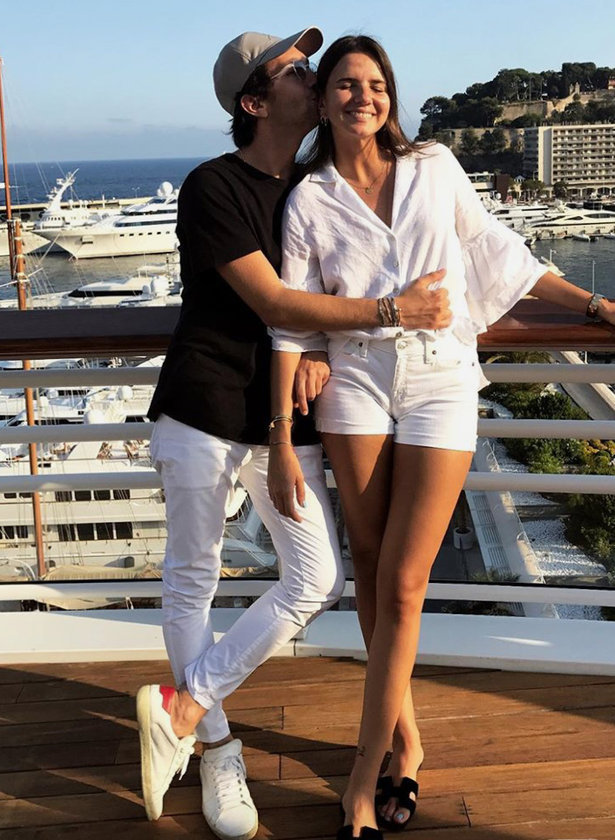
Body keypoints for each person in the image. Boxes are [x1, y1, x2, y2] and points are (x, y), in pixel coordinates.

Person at [266, 34, 615, 840]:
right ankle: (406, 741)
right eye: (345, 84)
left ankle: (363, 776)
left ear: (391, 96)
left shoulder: (433, 166)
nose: (363, 97)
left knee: (403, 582)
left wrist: (596, 307)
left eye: (375, 84)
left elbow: (500, 255)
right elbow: (291, 319)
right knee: (367, 566)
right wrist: (283, 432)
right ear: (322, 100)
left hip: (439, 381)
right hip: (354, 383)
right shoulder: (309, 198)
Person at [136, 27, 453, 839]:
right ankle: (215, 747)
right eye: (295, 70)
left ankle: (182, 705)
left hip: (286, 419)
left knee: (318, 577)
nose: (313, 77)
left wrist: (319, 347)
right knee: (192, 580)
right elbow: (277, 302)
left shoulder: (314, 184)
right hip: (204, 408)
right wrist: (391, 312)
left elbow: (325, 294)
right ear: (253, 101)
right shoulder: (212, 186)